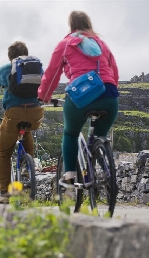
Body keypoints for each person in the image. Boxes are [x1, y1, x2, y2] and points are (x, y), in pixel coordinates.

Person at [38, 10, 119, 188]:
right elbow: (114, 72)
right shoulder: (102, 44)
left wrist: (44, 96)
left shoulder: (66, 44)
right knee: (100, 135)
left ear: (71, 25)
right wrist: (110, 93)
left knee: (70, 133)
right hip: (109, 95)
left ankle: (70, 174)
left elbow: (51, 74)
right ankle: (100, 170)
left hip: (81, 96)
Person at [0, 41, 45, 204]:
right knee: (27, 135)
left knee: (4, 153)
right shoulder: (36, 68)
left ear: (10, 57)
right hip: (35, 114)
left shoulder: (4, 70)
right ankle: (27, 173)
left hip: (13, 114)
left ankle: (4, 193)